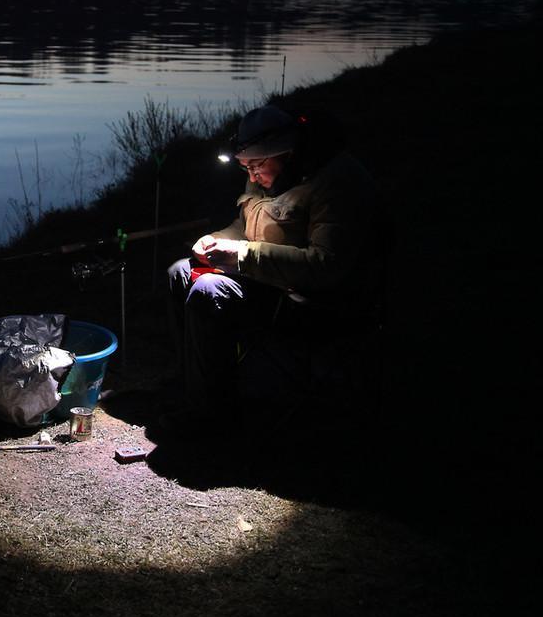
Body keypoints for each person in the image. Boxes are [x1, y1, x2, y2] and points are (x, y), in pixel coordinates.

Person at [162, 104, 383, 447]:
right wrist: (220, 239)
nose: (250, 177)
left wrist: (242, 255)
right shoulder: (267, 171)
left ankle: (213, 419)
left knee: (209, 290)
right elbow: (247, 226)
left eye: (255, 166)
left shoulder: (336, 181)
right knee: (180, 272)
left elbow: (326, 266)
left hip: (312, 303)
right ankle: (194, 389)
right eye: (244, 167)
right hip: (268, 280)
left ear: (288, 153)